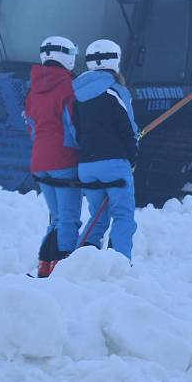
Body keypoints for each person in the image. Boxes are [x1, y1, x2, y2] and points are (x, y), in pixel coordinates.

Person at [73, 39, 138, 261]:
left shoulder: (75, 93)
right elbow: (129, 127)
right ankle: (119, 262)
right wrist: (133, 156)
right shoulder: (116, 90)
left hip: (86, 166)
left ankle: (81, 260)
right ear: (116, 60)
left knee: (97, 217)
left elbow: (73, 130)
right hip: (114, 163)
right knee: (123, 214)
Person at [24, 36, 80, 277]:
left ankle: (44, 266)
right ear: (67, 56)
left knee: (56, 218)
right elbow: (73, 125)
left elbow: (31, 127)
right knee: (69, 219)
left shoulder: (33, 89)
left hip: (39, 161)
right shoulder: (69, 87)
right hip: (64, 160)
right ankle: (62, 268)